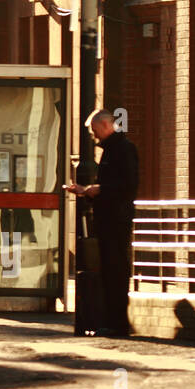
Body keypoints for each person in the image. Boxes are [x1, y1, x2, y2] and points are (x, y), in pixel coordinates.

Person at [65, 109, 139, 337]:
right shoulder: (112, 150)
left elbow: (128, 185)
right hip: (109, 220)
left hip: (116, 220)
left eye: (95, 131)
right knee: (108, 272)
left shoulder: (123, 150)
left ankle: (117, 324)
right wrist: (87, 192)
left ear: (106, 125)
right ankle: (112, 322)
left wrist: (98, 190)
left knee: (115, 272)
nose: (94, 136)